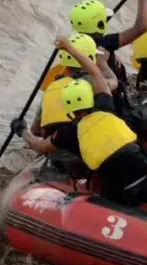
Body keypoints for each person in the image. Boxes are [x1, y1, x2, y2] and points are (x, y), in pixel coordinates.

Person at [14, 36, 147, 215]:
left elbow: (38, 144)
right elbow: (95, 72)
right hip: (146, 176)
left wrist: (20, 129)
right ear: (91, 98)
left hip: (116, 191)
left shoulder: (68, 132)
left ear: (68, 109)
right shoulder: (106, 106)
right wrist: (70, 47)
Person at [29, 33, 118, 176]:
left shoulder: (51, 88)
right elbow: (113, 82)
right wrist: (102, 63)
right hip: (87, 154)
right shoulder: (91, 82)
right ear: (90, 58)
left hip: (56, 156)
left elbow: (35, 130)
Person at [68, 0, 147, 115]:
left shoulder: (72, 46)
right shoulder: (104, 44)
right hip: (112, 105)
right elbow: (141, 27)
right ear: (99, 24)